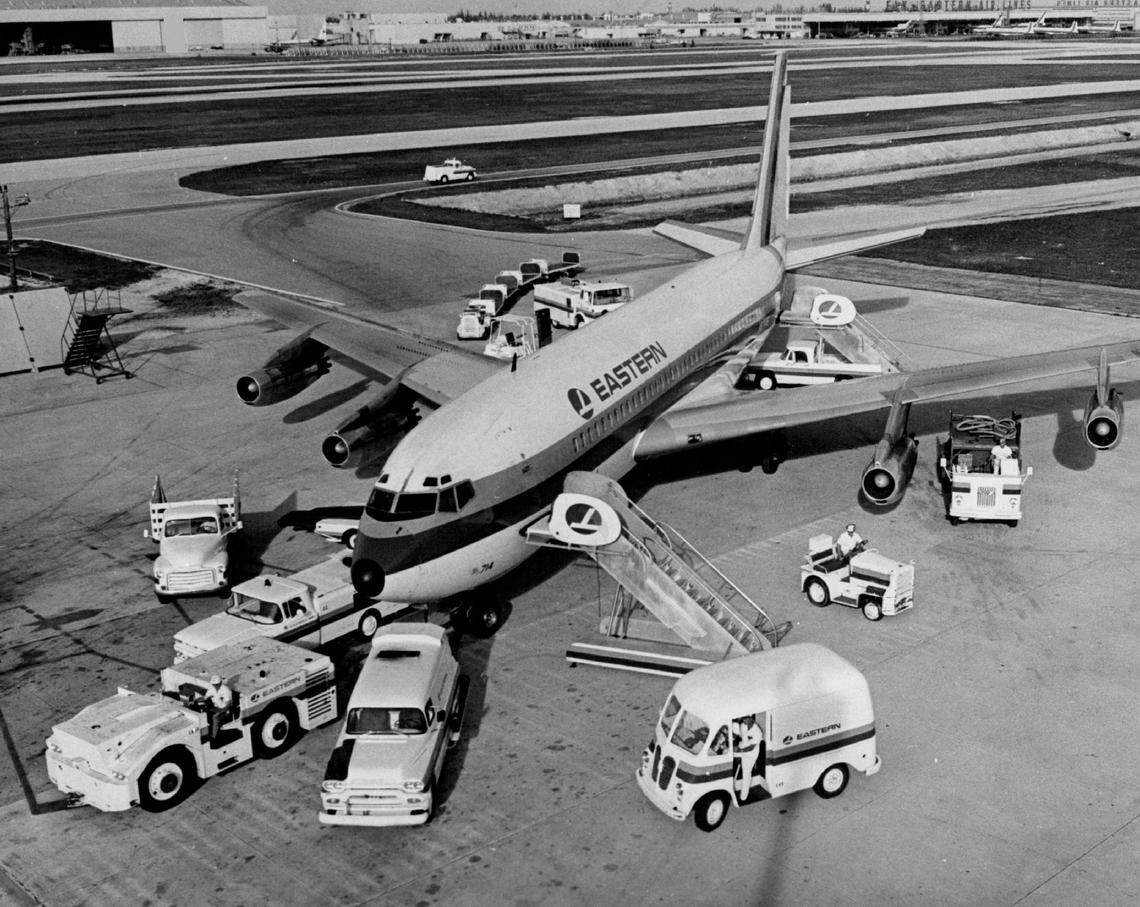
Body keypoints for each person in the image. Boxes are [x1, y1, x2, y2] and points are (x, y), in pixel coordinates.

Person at [732, 715, 763, 802]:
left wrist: (739, 750)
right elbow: (735, 733)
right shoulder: (743, 725)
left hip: (751, 754)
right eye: (743, 719)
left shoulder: (758, 733)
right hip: (741, 747)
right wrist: (733, 744)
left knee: (746, 772)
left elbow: (750, 748)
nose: (744, 720)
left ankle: (743, 796)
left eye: (746, 719)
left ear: (751, 720)